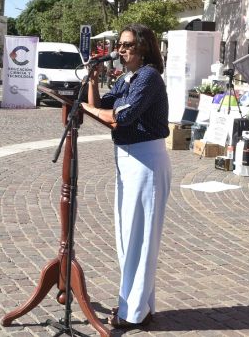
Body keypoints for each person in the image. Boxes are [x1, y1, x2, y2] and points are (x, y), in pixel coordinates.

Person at [81, 23, 171, 329]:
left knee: (139, 239)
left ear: (144, 47)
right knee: (128, 237)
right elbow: (101, 106)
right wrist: (93, 82)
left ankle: (133, 312)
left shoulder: (148, 76)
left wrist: (91, 110)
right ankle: (140, 305)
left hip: (146, 161)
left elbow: (123, 117)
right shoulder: (127, 78)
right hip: (128, 159)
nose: (120, 50)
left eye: (127, 45)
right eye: (119, 45)